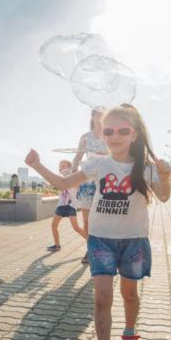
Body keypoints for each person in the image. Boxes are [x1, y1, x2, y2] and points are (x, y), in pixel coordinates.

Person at [25, 105, 171, 340]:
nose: (114, 136)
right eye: (108, 131)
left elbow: (163, 197)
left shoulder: (146, 167)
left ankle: (129, 336)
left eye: (122, 130)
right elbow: (65, 182)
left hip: (134, 240)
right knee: (102, 298)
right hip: (101, 239)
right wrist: (37, 165)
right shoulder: (98, 164)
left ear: (134, 134)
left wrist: (163, 177)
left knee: (130, 293)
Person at [73, 109, 108, 264]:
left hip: (105, 181)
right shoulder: (85, 138)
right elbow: (78, 156)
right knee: (87, 221)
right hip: (88, 182)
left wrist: (104, 153)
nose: (101, 117)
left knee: (103, 219)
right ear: (93, 117)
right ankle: (90, 249)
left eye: (104, 114)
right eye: (99, 114)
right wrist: (72, 172)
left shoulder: (110, 135)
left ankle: (105, 249)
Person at [47, 160, 86, 252]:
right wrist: (49, 185)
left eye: (63, 166)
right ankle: (57, 245)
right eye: (60, 166)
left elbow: (78, 184)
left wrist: (72, 173)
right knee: (54, 224)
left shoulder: (74, 179)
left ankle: (92, 242)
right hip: (61, 205)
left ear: (69, 168)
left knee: (76, 227)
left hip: (71, 206)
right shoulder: (60, 179)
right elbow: (53, 183)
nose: (61, 168)